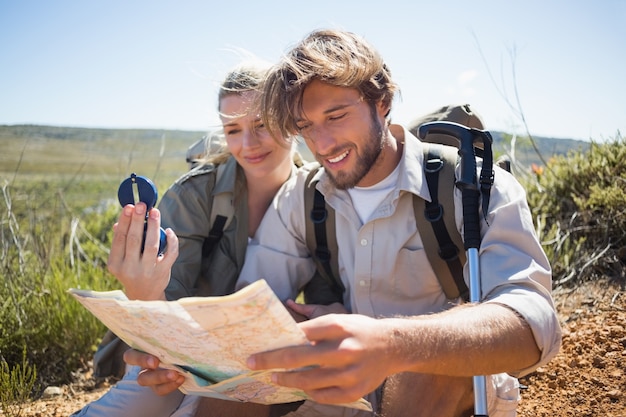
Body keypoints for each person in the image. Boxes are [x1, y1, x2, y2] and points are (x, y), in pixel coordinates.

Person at [124, 29, 561, 416]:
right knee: (254, 354)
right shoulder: (301, 195)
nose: (323, 143)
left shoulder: (472, 186)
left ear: (383, 102)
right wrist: (186, 362)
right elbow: (248, 312)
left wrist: (388, 345)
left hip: (442, 386)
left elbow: (533, 323)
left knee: (428, 362)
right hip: (335, 393)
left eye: (336, 116)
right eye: (306, 127)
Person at [72, 60, 344, 417]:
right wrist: (143, 291)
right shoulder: (196, 195)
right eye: (232, 130)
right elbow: (161, 304)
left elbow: (328, 296)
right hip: (174, 355)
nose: (248, 144)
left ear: (291, 121)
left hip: (263, 367)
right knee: (143, 402)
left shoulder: (318, 198)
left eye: (261, 125)